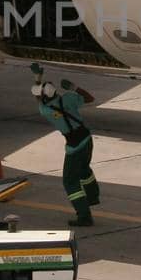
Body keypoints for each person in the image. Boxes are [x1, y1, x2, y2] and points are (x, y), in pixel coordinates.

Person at [33, 64, 101, 226]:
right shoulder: (68, 98)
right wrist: (73, 87)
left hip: (74, 145)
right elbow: (90, 98)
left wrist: (38, 77)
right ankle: (92, 197)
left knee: (70, 181)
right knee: (84, 169)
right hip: (87, 139)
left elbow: (37, 97)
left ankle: (84, 216)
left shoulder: (46, 110)